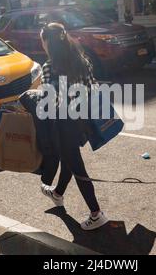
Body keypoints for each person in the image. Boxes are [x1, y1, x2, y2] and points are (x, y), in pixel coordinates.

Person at [39, 23, 109, 231]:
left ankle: (96, 213)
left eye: (42, 40)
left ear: (49, 42)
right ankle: (58, 193)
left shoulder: (50, 67)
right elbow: (92, 89)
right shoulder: (82, 61)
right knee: (69, 159)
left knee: (77, 166)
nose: (42, 45)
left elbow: (49, 100)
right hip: (81, 122)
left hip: (62, 124)